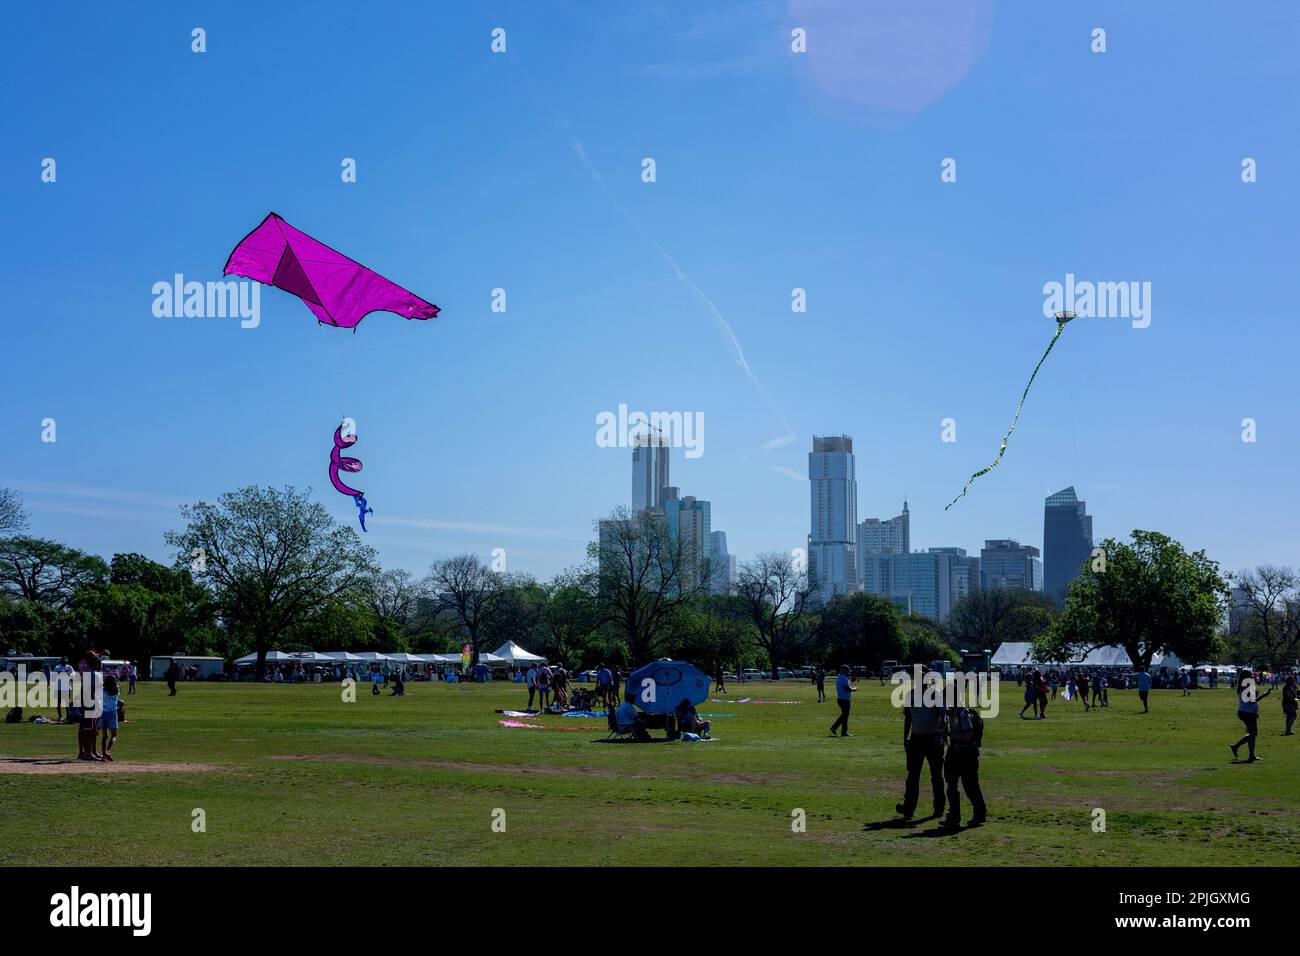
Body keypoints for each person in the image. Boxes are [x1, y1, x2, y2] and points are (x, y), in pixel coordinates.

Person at [897, 673, 946, 820]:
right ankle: (908, 808)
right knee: (913, 775)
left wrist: (940, 735)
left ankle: (939, 808)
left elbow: (943, 716)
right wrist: (905, 737)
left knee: (936, 775)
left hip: (933, 738)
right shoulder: (910, 695)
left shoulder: (935, 694)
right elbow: (908, 717)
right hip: (916, 738)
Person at [942, 703, 986, 829]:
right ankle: (954, 816)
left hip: (966, 754)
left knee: (970, 786)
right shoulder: (949, 713)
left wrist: (950, 735)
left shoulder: (962, 713)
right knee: (951, 785)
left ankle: (979, 814)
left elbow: (968, 735)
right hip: (954, 752)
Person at [1231, 672, 1271, 762]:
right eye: (1250, 676)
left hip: (1247, 712)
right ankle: (1249, 755)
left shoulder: (1245, 687)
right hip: (1247, 713)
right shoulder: (1245, 688)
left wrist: (1255, 711)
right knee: (1253, 734)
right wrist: (1264, 695)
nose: (1252, 678)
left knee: (1253, 734)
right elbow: (1252, 701)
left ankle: (1237, 747)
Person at [75, 654, 103, 761]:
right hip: (92, 703)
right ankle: (88, 753)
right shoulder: (96, 674)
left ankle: (88, 752)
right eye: (99, 663)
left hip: (87, 703)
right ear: (95, 664)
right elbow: (93, 689)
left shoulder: (87, 674)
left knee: (87, 729)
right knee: (89, 730)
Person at [829, 665, 856, 737]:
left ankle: (842, 731)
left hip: (841, 698)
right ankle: (836, 728)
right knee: (845, 716)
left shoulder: (840, 677)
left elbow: (847, 683)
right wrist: (854, 689)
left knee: (844, 715)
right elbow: (847, 689)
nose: (848, 672)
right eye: (847, 671)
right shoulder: (843, 678)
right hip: (844, 699)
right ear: (843, 670)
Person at [99, 675, 121, 761]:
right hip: (112, 713)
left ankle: (104, 755)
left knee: (104, 736)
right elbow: (117, 685)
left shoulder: (102, 691)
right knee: (114, 735)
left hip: (103, 713)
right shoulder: (116, 690)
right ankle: (108, 750)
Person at [53, 658, 74, 723]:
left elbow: (73, 676)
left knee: (67, 702)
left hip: (67, 688)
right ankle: (60, 716)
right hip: (58, 687)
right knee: (58, 702)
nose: (64, 663)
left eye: (66, 661)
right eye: (63, 661)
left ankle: (68, 716)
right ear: (61, 661)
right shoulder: (57, 667)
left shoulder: (69, 667)